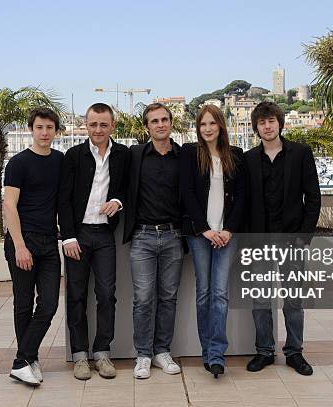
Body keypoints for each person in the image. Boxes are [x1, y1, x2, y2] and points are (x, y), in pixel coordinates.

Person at [244, 101, 321, 376]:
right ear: (256, 127)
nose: (267, 126)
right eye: (262, 122)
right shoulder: (249, 159)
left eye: (271, 121)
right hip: (259, 243)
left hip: (292, 242)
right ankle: (264, 351)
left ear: (280, 123)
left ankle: (294, 352)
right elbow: (243, 202)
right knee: (261, 301)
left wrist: (304, 238)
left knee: (293, 301)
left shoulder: (301, 154)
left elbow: (313, 198)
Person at [58, 103, 129, 380]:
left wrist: (118, 201)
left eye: (103, 124)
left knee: (106, 295)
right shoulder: (73, 156)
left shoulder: (122, 154)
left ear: (112, 126)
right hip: (78, 235)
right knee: (76, 296)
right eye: (93, 124)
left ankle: (102, 353)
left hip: (104, 235)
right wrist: (68, 237)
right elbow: (63, 200)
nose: (98, 129)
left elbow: (126, 188)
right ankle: (79, 356)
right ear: (86, 126)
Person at [180, 105, 246, 378]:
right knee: (204, 293)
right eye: (202, 124)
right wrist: (204, 229)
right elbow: (186, 193)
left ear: (221, 126)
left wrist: (228, 229)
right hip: (200, 235)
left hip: (226, 236)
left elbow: (242, 197)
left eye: (212, 124)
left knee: (220, 295)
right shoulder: (190, 154)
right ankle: (207, 352)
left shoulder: (235, 157)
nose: (207, 129)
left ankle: (217, 354)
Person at [3, 107, 64, 386]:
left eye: (49, 128)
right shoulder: (18, 163)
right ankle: (28, 359)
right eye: (39, 127)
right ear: (31, 129)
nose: (44, 132)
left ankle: (22, 359)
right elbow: (9, 205)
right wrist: (20, 246)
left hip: (49, 242)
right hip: (22, 241)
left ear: (55, 131)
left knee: (49, 303)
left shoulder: (60, 161)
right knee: (24, 303)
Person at [122, 103, 184, 379]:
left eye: (164, 120)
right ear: (146, 127)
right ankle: (143, 355)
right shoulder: (135, 155)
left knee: (169, 298)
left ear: (171, 123)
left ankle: (162, 351)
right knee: (144, 299)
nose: (160, 124)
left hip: (174, 236)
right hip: (143, 237)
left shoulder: (184, 156)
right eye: (154, 121)